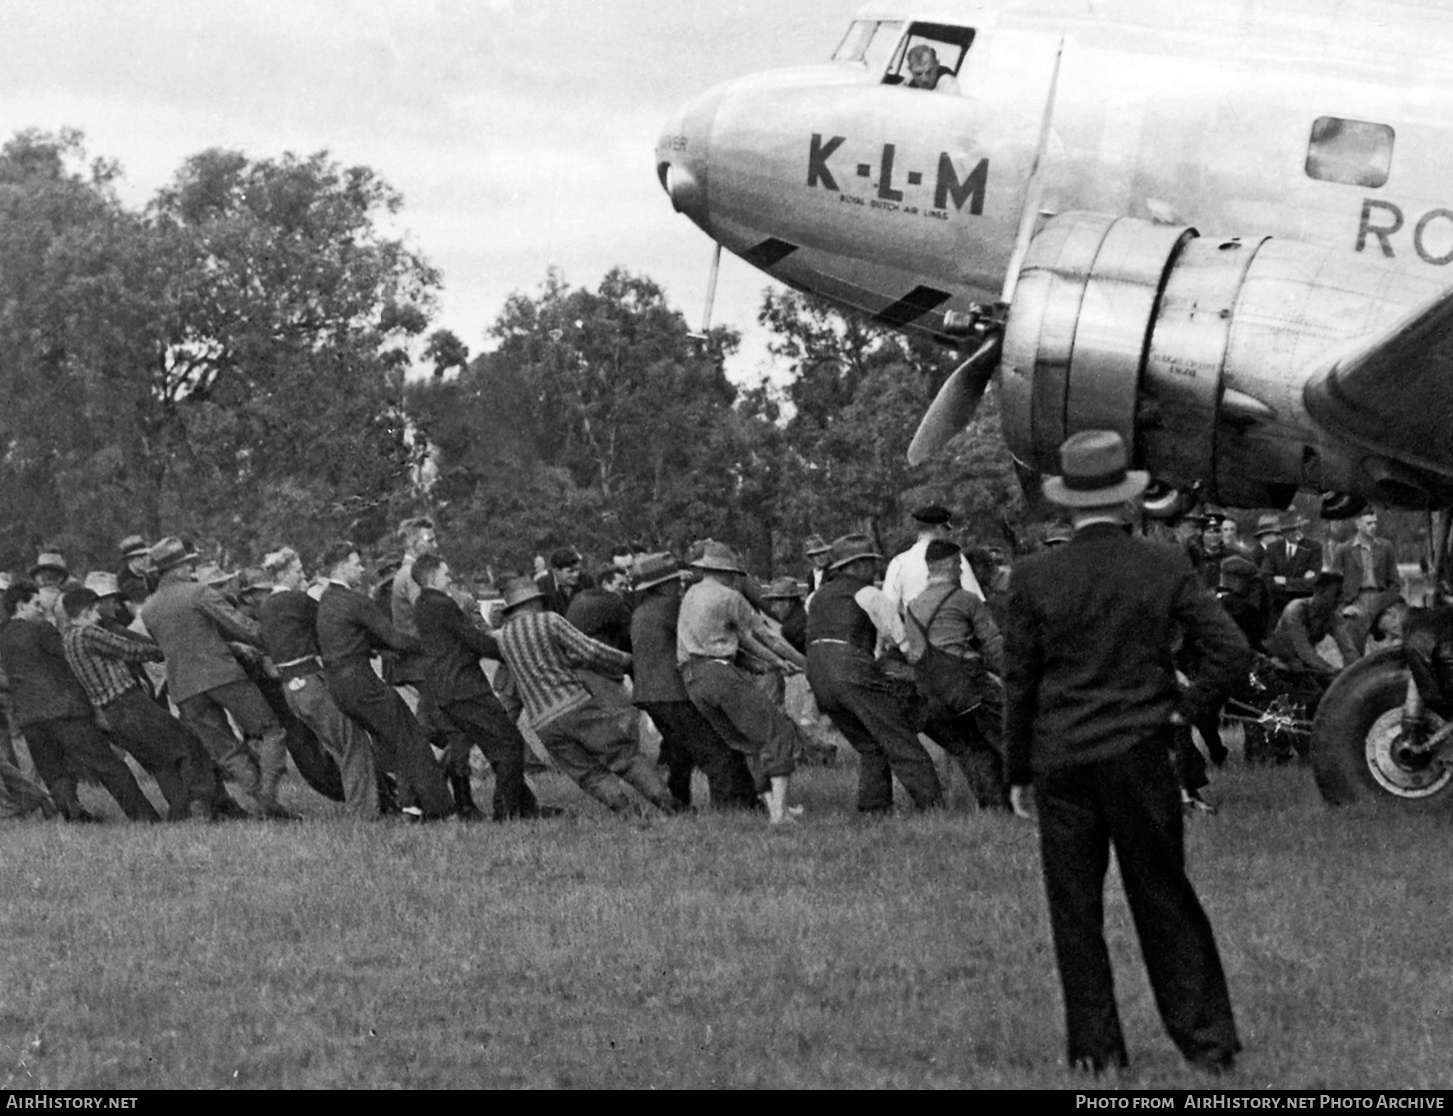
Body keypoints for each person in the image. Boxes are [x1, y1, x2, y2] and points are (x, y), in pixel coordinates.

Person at [1004, 430, 1247, 1076]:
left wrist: (1016, 769)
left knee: (1073, 909)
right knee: (1163, 897)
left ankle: (1094, 1053)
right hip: (1140, 752)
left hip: (1060, 758)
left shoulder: (1032, 577)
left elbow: (1019, 684)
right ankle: (1208, 1043)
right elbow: (1230, 653)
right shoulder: (1163, 566)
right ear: (1129, 498)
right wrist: (1182, 713)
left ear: (1067, 502)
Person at [139, 537, 296, 819]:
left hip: (185, 689)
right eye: (188, 564)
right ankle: (269, 797)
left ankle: (265, 800)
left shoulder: (148, 609)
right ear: (177, 568)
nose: (192, 569)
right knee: (272, 730)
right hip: (222, 675)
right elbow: (242, 627)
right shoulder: (198, 592)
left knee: (226, 750)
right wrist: (278, 640)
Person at [494, 576, 679, 816]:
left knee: (589, 773)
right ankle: (669, 805)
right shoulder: (549, 621)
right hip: (574, 705)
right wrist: (625, 661)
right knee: (622, 754)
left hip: (542, 723)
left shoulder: (503, 638)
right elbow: (589, 650)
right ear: (533, 601)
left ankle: (629, 813)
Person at [315, 540, 453, 822]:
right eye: (356, 563)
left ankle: (410, 806)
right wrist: (434, 644)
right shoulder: (355, 601)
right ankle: (441, 809)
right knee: (411, 738)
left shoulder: (327, 600)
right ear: (341, 567)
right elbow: (392, 638)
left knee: (394, 741)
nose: (362, 568)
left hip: (340, 688)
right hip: (362, 683)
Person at [0, 579, 160, 823]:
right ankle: (144, 817)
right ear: (20, 605)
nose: (43, 609)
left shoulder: (3, 637)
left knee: (54, 772)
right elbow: (70, 657)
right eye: (36, 604)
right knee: (108, 766)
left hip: (30, 719)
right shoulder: (42, 629)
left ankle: (75, 817)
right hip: (65, 712)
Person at [808, 533, 943, 814]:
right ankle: (932, 807)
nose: (875, 570)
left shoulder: (817, 596)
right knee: (899, 737)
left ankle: (874, 808)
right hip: (850, 668)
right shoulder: (868, 593)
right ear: (857, 566)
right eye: (871, 563)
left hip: (817, 673)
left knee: (869, 744)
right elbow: (902, 640)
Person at [410, 553, 552, 822]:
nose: (449, 578)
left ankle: (523, 807)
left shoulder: (422, 605)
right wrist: (511, 650)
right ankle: (507, 811)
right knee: (509, 743)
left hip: (445, 690)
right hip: (466, 688)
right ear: (431, 577)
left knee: (490, 746)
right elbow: (473, 639)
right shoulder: (442, 604)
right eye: (445, 574)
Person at [62, 588, 222, 822]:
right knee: (188, 743)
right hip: (129, 703)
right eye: (95, 611)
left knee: (160, 761)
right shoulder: (88, 633)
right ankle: (201, 802)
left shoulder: (67, 639)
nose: (99, 617)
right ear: (85, 611)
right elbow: (127, 648)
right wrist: (161, 650)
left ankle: (181, 812)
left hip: (111, 713)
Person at [677, 541, 805, 824]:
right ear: (727, 572)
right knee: (777, 732)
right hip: (721, 674)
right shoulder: (729, 597)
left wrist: (773, 662)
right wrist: (804, 662)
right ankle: (780, 815)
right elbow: (766, 636)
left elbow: (744, 640)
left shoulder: (691, 595)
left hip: (693, 680)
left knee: (750, 743)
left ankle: (774, 809)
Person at [629, 552, 758, 810]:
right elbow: (705, 640)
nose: (679, 584)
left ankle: (679, 805)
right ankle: (733, 808)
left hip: (649, 695)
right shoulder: (673, 607)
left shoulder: (642, 611)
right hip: (675, 692)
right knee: (718, 750)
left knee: (680, 753)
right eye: (674, 580)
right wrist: (755, 662)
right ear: (662, 584)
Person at [258, 547, 379, 819]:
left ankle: (361, 805)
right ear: (286, 573)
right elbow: (332, 621)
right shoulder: (298, 602)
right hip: (312, 682)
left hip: (291, 690)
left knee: (337, 747)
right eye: (299, 571)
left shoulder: (264, 607)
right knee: (353, 743)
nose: (303, 576)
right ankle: (364, 814)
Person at [905, 539, 1009, 810]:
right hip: (968, 687)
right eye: (960, 568)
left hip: (932, 695)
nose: (963, 573)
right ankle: (1033, 801)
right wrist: (1013, 676)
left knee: (974, 748)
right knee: (1010, 736)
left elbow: (914, 653)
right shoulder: (966, 599)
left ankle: (994, 808)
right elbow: (994, 644)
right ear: (953, 566)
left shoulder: (912, 605)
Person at [881, 504, 984, 619]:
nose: (948, 536)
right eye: (947, 530)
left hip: (915, 631)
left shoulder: (899, 563)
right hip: (953, 630)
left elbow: (888, 611)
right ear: (940, 528)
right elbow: (976, 603)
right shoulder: (956, 560)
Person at [1333, 508, 1402, 653]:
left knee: (1401, 628)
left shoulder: (1385, 547)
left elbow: (1395, 584)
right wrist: (1343, 607)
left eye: (1375, 523)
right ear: (1358, 525)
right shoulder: (1344, 550)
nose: (1373, 527)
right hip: (1355, 599)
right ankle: (1355, 668)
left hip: (1382, 596)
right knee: (1353, 631)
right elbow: (1334, 584)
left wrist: (1383, 601)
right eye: (1369, 523)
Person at [1257, 512, 1323, 614]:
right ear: (1282, 533)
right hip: (1277, 607)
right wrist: (1299, 582)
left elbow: (1312, 582)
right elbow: (1266, 578)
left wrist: (1285, 581)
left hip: (1303, 607)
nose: (1296, 532)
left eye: (1298, 528)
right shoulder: (1274, 548)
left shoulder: (1313, 548)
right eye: (1290, 530)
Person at [536, 548, 588, 615]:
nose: (576, 575)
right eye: (570, 571)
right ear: (556, 571)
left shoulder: (586, 580)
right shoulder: (542, 586)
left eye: (577, 570)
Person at [115, 535, 155, 606]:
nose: (144, 560)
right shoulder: (124, 581)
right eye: (140, 556)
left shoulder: (149, 577)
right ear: (130, 559)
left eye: (145, 555)